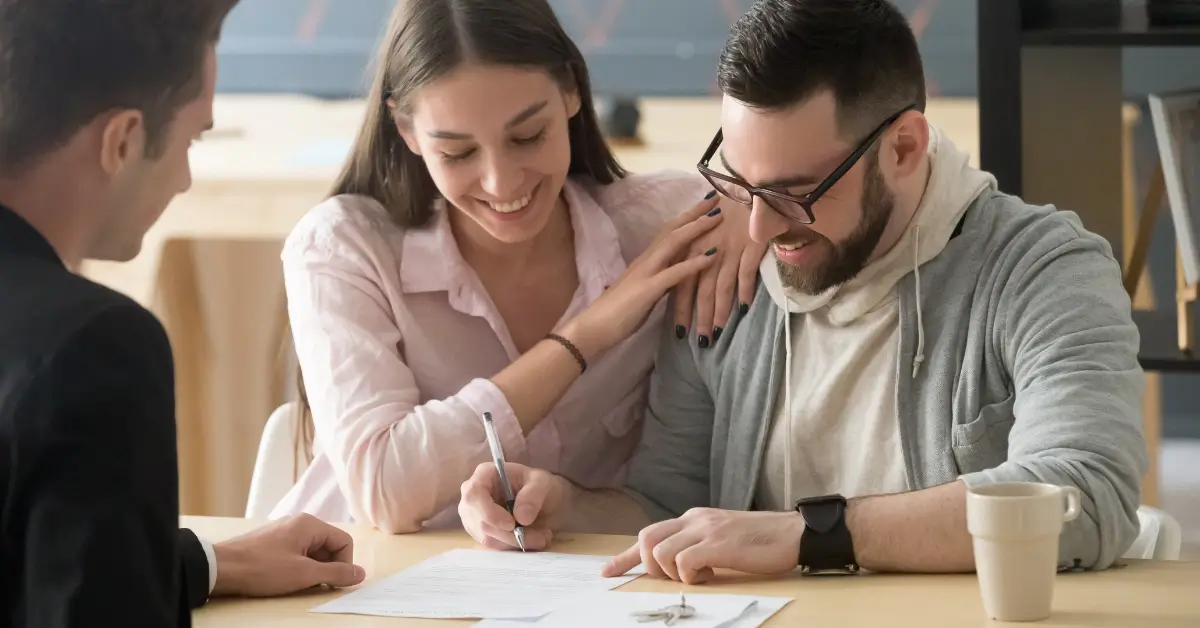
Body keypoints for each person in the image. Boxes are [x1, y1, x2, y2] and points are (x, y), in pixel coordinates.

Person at [458, 0, 1147, 582]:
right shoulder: (726, 276)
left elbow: (1087, 494)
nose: (757, 227)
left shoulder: (1043, 269)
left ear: (904, 147)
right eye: (739, 183)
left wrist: (811, 535)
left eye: (793, 193)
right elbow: (670, 502)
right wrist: (568, 506)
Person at [271, 0, 764, 533]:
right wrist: (584, 337)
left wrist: (749, 199)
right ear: (408, 131)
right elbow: (383, 492)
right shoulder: (343, 246)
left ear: (572, 92)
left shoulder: (663, 227)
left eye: (528, 137)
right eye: (457, 153)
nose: (501, 184)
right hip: (362, 589)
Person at [0, 1, 364, 626]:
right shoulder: (93, 346)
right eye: (194, 137)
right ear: (123, 139)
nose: (187, 180)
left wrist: (212, 564)